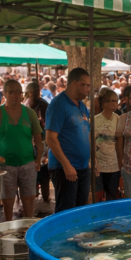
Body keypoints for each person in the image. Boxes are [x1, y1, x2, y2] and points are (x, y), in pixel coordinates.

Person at [0, 78, 44, 221]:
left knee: (29, 197)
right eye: (11, 92)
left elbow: (39, 140)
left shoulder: (30, 114)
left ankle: (29, 227)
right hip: (5, 165)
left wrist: (38, 159)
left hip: (28, 162)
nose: (15, 95)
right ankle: (8, 226)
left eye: (18, 92)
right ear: (4, 93)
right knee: (7, 199)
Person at [45, 67, 92, 212]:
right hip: (65, 168)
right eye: (85, 85)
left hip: (82, 166)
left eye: (89, 86)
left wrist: (90, 160)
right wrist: (66, 165)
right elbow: (51, 138)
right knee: (66, 210)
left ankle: (78, 236)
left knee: (80, 208)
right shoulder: (59, 104)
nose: (87, 89)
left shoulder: (82, 106)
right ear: (74, 83)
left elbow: (86, 134)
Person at [24, 81, 50, 204]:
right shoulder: (24, 106)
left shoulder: (44, 105)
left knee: (44, 170)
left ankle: (46, 195)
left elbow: (49, 124)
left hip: (43, 141)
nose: (35, 93)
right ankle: (33, 194)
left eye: (37, 91)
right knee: (32, 171)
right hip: (29, 141)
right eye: (32, 91)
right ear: (28, 92)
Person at [94, 87, 122, 201]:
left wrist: (120, 162)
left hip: (113, 165)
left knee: (112, 195)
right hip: (98, 164)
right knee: (97, 195)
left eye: (115, 101)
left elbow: (120, 142)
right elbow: (91, 142)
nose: (112, 103)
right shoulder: (95, 120)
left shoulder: (118, 119)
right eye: (109, 101)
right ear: (102, 103)